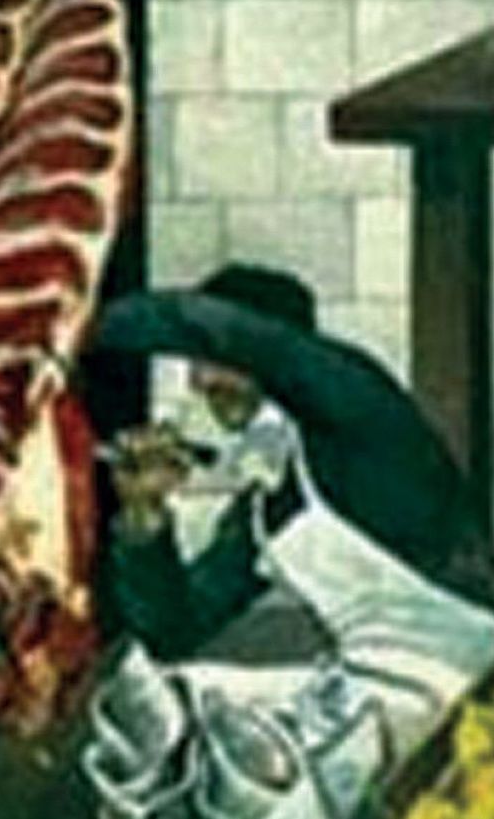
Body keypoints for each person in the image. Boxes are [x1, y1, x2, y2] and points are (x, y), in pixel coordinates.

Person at [96, 264, 494, 716]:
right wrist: (143, 512)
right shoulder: (268, 505)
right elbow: (174, 632)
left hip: (473, 683)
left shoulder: (366, 418)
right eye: (195, 362)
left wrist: (83, 328)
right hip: (374, 695)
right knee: (169, 694)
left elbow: (250, 338)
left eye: (213, 356)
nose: (200, 381)